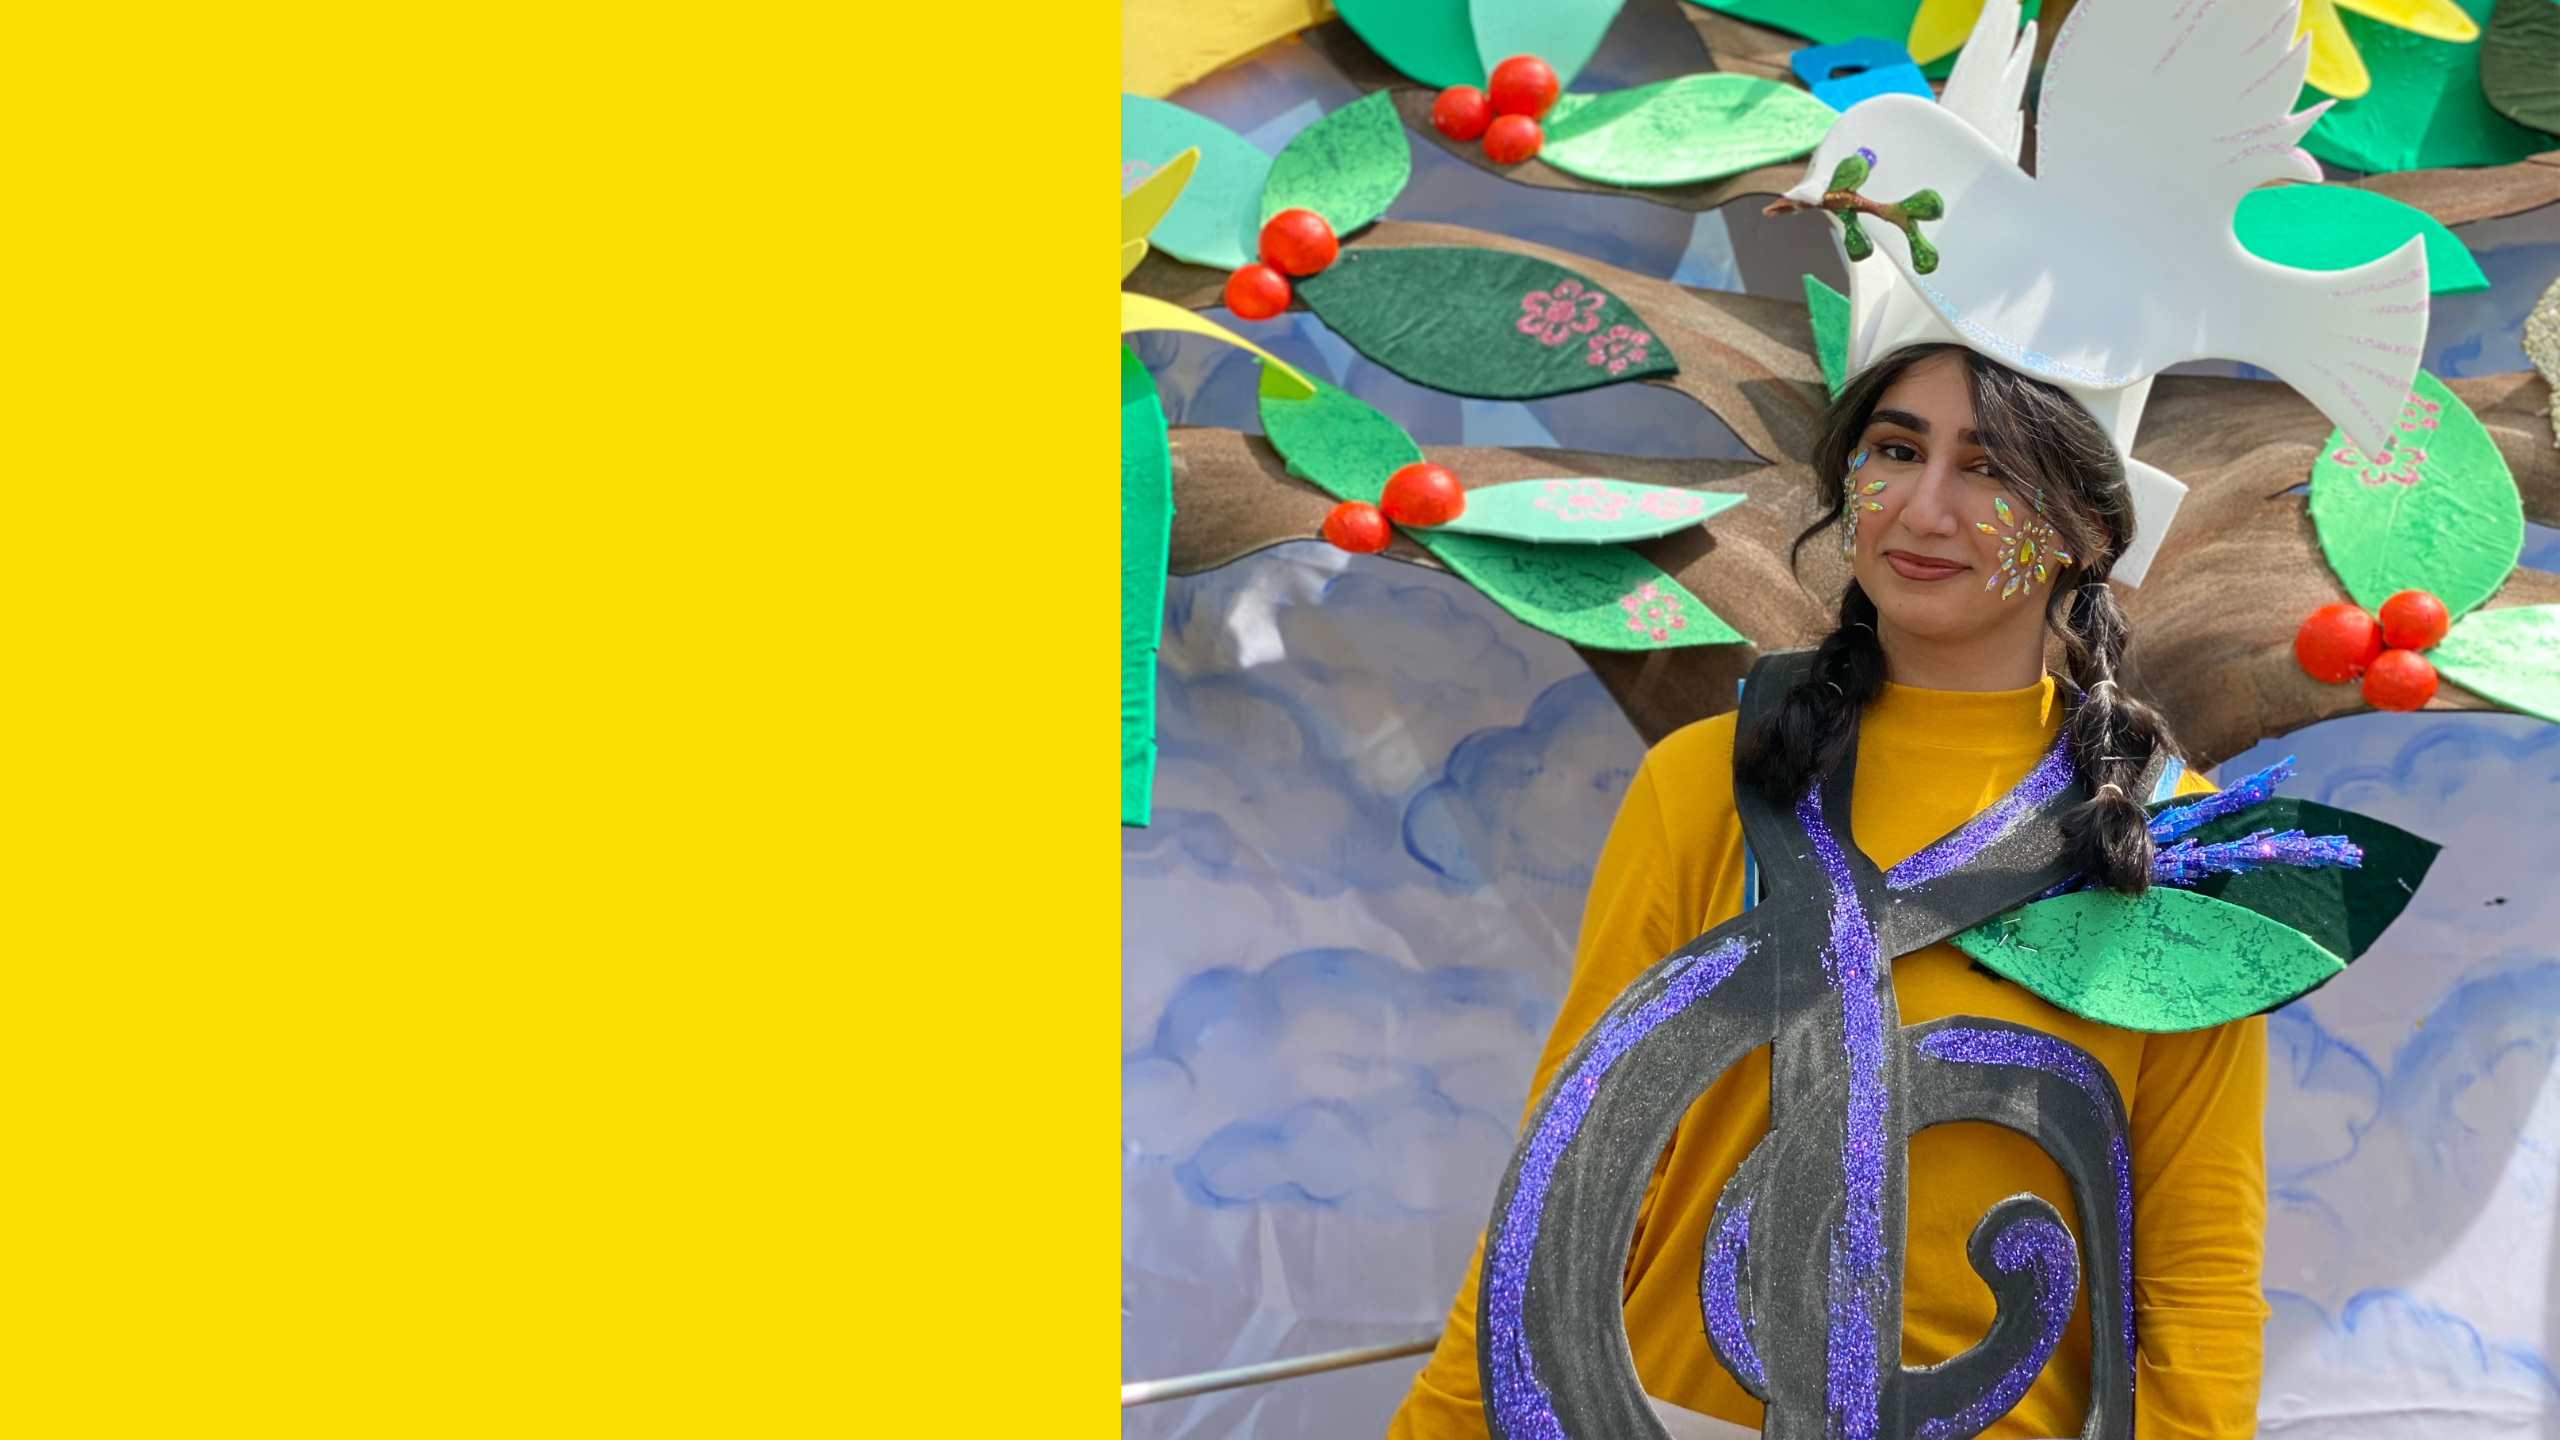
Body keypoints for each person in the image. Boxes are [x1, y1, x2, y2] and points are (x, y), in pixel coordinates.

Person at [1386, 343, 2268, 1440]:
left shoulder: (2171, 835)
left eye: (1988, 468)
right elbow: (1564, 1182)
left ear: (2088, 531)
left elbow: (2197, 1271)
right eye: (1895, 449)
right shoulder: (1706, 784)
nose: (1924, 506)